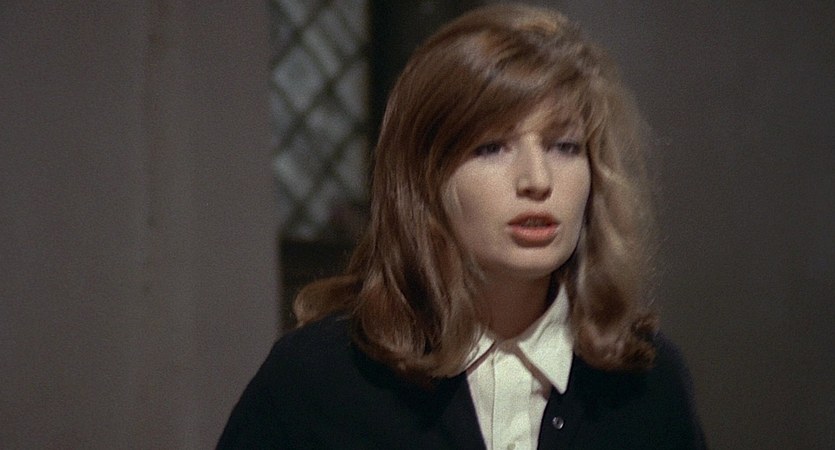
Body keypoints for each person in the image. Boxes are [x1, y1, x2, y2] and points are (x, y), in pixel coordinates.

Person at [218, 3, 705, 449]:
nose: (537, 181)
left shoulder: (647, 382)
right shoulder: (316, 379)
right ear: (425, 178)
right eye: (491, 147)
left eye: (564, 147)